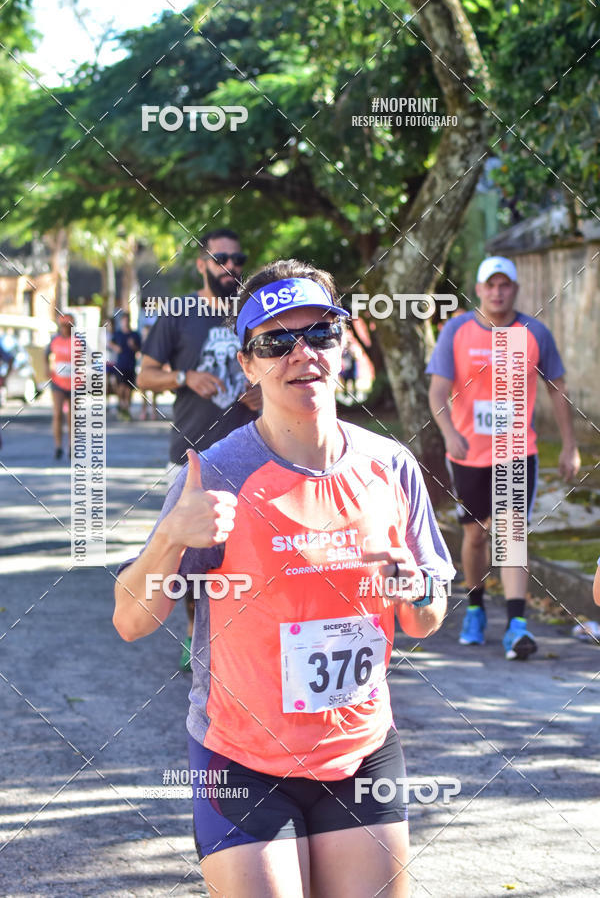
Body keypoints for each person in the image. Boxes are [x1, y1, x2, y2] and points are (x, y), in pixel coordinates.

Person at [114, 259, 455, 898]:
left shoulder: (391, 465)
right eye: (276, 342)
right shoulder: (215, 473)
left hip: (361, 752)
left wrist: (416, 589)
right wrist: (167, 539)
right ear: (248, 364)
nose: (304, 354)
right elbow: (130, 621)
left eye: (322, 333)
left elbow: (425, 618)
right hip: (242, 760)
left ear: (344, 345)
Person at [427, 256, 581, 660]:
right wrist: (449, 434)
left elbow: (557, 390)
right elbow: (437, 392)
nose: (497, 292)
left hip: (516, 451)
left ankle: (517, 625)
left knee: (512, 536)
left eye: (505, 285)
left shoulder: (533, 333)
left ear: (514, 289)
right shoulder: (457, 330)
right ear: (478, 289)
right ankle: (475, 608)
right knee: (476, 535)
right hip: (468, 454)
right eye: (490, 285)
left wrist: (570, 445)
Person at [137, 228, 262, 670]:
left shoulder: (253, 313)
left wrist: (265, 394)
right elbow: (145, 375)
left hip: (255, 451)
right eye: (220, 258)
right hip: (196, 451)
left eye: (237, 258)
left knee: (251, 551)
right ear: (202, 264)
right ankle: (195, 632)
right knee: (193, 555)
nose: (230, 266)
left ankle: (248, 638)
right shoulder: (179, 314)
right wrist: (184, 378)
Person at [45, 313, 75, 460]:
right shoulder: (54, 340)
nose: (65, 329)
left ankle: (71, 446)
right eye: (63, 326)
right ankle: (58, 446)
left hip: (75, 383)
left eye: (68, 326)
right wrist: (46, 369)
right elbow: (46, 355)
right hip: (58, 382)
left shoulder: (78, 341)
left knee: (71, 417)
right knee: (57, 414)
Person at [108, 312, 141, 420]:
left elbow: (139, 349)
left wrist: (133, 346)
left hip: (131, 364)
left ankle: (126, 408)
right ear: (121, 322)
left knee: (129, 389)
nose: (125, 322)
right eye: (124, 320)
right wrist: (115, 347)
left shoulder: (134, 334)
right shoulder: (118, 334)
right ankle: (121, 404)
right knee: (121, 387)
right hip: (120, 364)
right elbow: (110, 343)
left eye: (127, 320)